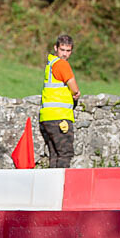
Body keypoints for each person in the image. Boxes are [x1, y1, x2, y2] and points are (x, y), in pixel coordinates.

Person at [39, 34, 80, 168]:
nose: (65, 54)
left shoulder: (50, 65)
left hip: (47, 117)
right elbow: (73, 88)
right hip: (60, 117)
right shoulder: (62, 64)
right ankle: (61, 185)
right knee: (65, 153)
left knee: (54, 154)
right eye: (62, 50)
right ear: (56, 48)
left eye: (68, 51)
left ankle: (51, 186)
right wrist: (76, 93)